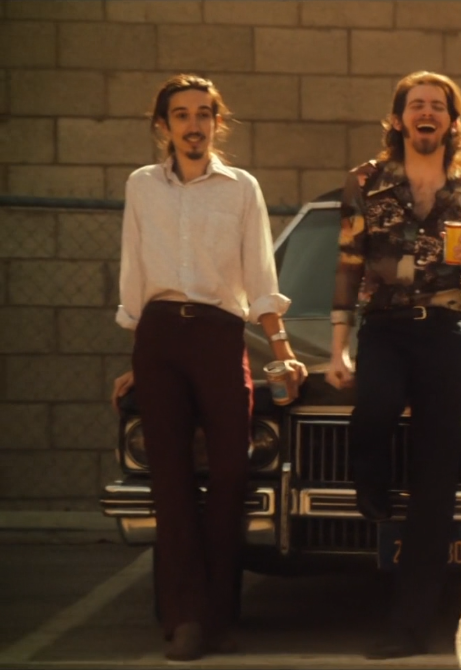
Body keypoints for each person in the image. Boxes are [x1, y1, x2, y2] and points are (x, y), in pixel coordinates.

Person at [110, 74, 306, 661]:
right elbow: (134, 270)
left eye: (203, 114)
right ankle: (186, 621)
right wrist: (140, 361)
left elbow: (260, 275)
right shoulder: (142, 185)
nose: (193, 125)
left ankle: (220, 616)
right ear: (163, 125)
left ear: (217, 123)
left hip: (221, 337)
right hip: (159, 338)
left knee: (229, 474)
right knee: (170, 482)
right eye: (181, 115)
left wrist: (282, 350)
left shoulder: (241, 188)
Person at [324, 70, 461, 660]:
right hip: (384, 328)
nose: (427, 113)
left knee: (436, 483)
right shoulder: (365, 182)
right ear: (399, 118)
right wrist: (338, 346)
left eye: (438, 106)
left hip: (446, 333)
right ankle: (370, 478)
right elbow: (348, 264)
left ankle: (409, 626)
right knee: (373, 407)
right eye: (416, 104)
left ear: (452, 122)